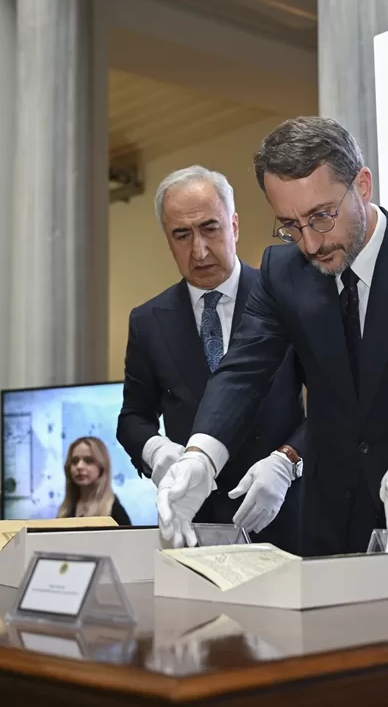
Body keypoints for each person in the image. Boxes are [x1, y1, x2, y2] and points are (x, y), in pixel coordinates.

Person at [155, 118, 388, 567]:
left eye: (321, 216)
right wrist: (200, 458)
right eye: (290, 225)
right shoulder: (283, 272)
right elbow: (243, 371)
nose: (310, 243)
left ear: (363, 185)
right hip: (328, 527)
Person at [117, 166, 306, 552]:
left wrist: (288, 459)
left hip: (280, 509)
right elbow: (133, 418)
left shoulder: (286, 299)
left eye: (210, 228)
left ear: (234, 225)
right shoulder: (148, 321)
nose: (199, 250)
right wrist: (157, 450)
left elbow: (332, 401)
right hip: (194, 519)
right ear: (167, 240)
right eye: (182, 235)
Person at [56, 436, 132, 525]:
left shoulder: (115, 512)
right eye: (74, 461)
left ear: (102, 467)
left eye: (88, 461)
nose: (79, 466)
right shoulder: (65, 511)